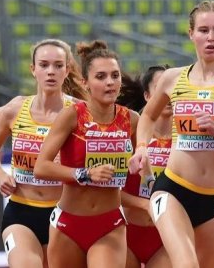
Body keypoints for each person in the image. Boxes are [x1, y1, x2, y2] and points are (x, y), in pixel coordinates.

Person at [128, 0, 214, 268]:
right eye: (203, 30)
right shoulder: (172, 78)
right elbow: (147, 115)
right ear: (190, 33)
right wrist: (142, 146)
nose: (211, 37)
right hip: (173, 189)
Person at [34, 40, 140, 268]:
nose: (110, 82)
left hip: (109, 224)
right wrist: (84, 174)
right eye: (100, 77)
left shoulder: (131, 120)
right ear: (85, 82)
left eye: (115, 75)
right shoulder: (71, 115)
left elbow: (140, 167)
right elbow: (41, 167)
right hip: (68, 224)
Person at [0, 38, 86, 268]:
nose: (51, 71)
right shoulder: (15, 108)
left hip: (64, 214)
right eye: (44, 65)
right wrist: (0, 175)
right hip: (20, 212)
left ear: (67, 70)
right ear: (33, 69)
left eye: (58, 65)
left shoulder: (80, 112)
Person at [121, 65, 172, 268]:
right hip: (127, 233)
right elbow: (106, 191)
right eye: (161, 88)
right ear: (147, 95)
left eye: (173, 88)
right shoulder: (131, 135)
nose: (167, 95)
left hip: (166, 237)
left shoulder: (185, 139)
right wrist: (144, 204)